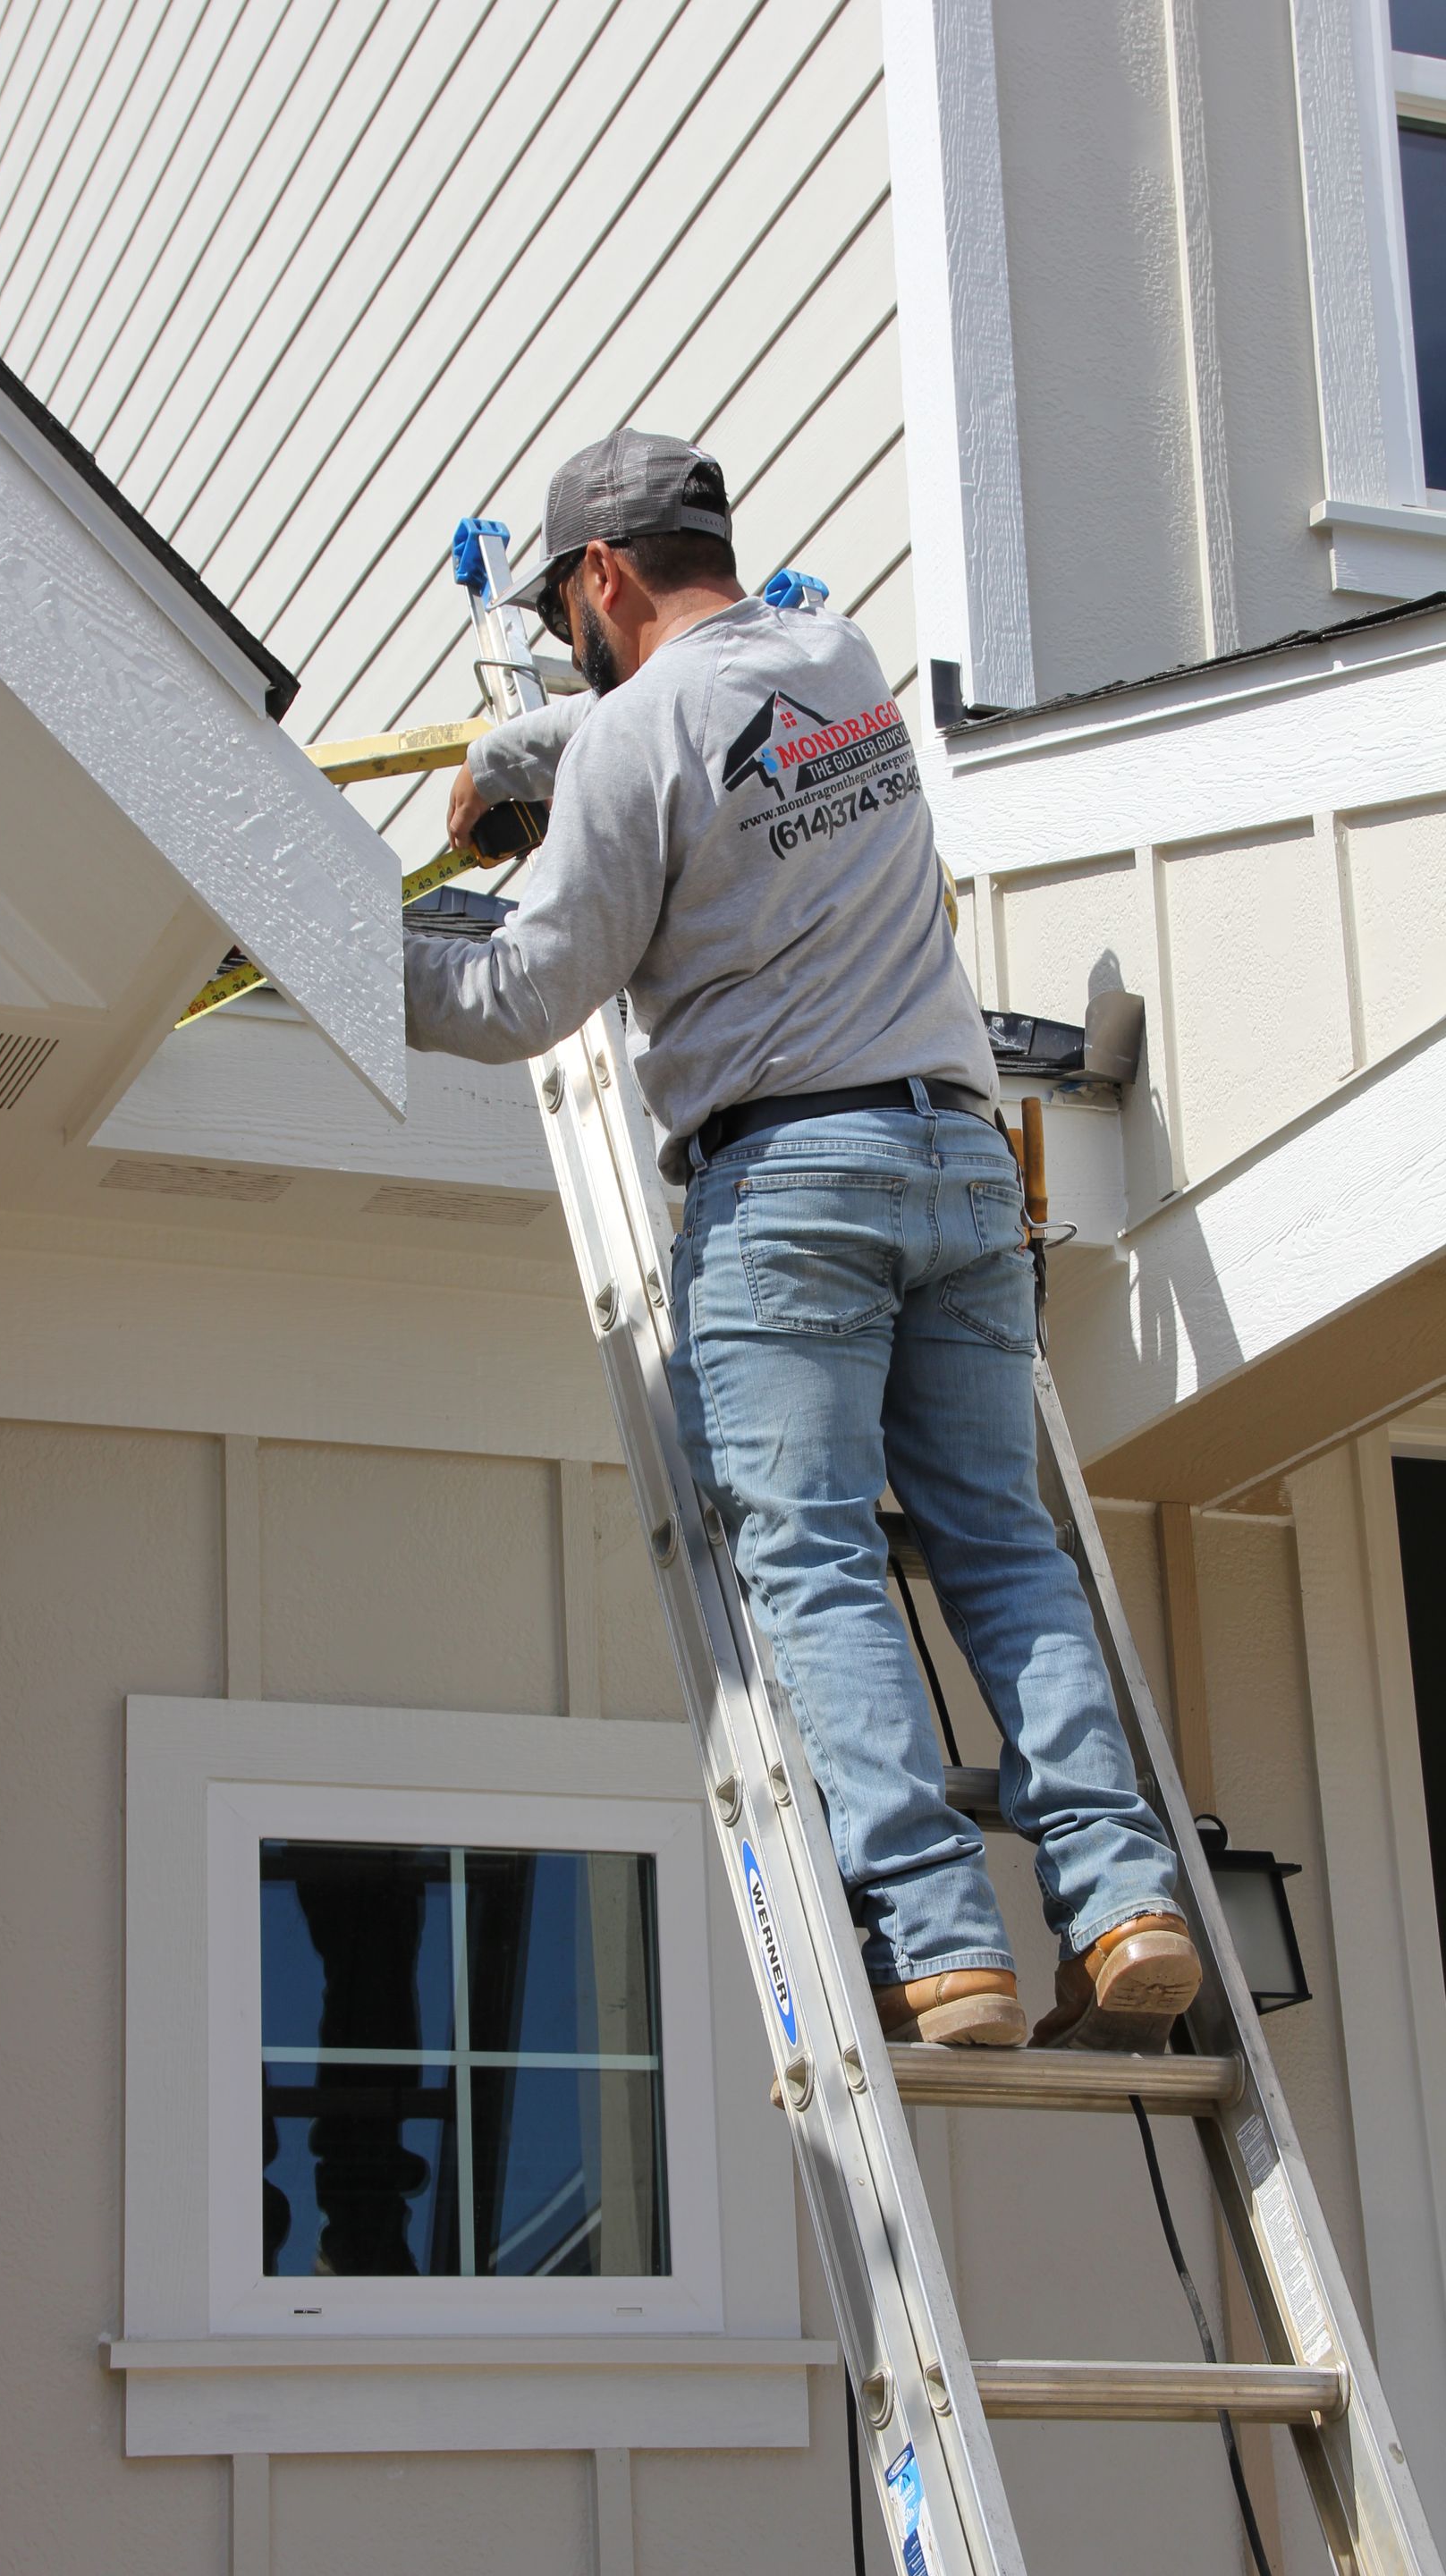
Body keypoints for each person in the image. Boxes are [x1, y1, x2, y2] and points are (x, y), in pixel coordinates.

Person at [404, 428, 1202, 2052]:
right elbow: (679, 722)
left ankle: (940, 1941)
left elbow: (523, 996)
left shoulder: (630, 743)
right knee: (999, 1543)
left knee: (818, 1560)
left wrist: (352, 948)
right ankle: (1123, 1901)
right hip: (964, 1165)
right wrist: (523, 766)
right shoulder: (839, 662)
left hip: (792, 1185)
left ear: (604, 576)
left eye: (570, 606)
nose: (572, 632)